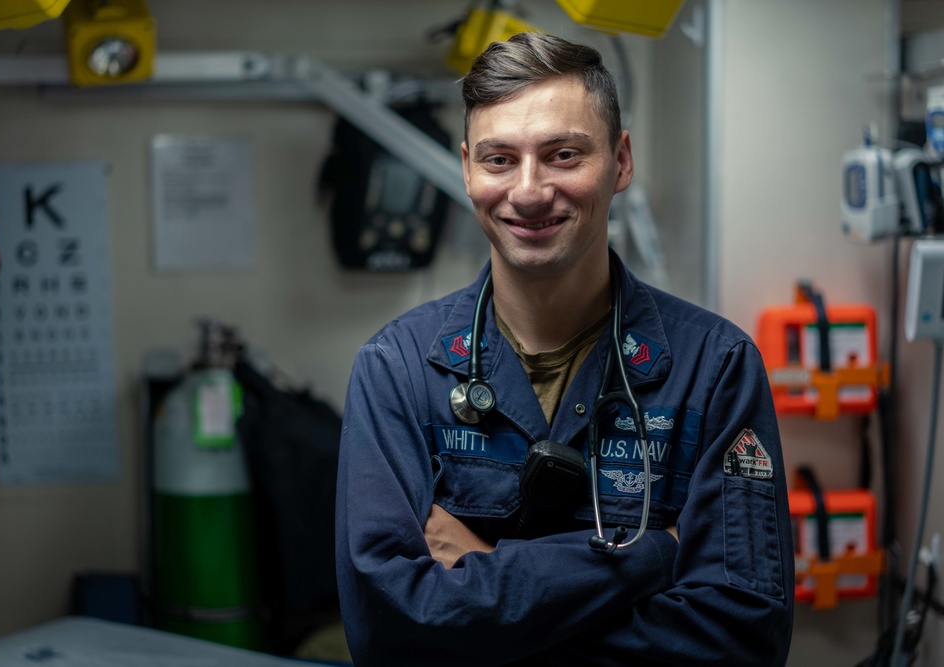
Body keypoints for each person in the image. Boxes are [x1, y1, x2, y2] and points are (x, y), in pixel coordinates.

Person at [335, 32, 794, 666]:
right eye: (499, 159)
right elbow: (387, 633)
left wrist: (484, 583)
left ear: (621, 161)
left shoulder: (714, 369)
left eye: (563, 154)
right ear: (467, 168)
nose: (528, 191)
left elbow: (739, 640)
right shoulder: (398, 370)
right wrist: (655, 555)